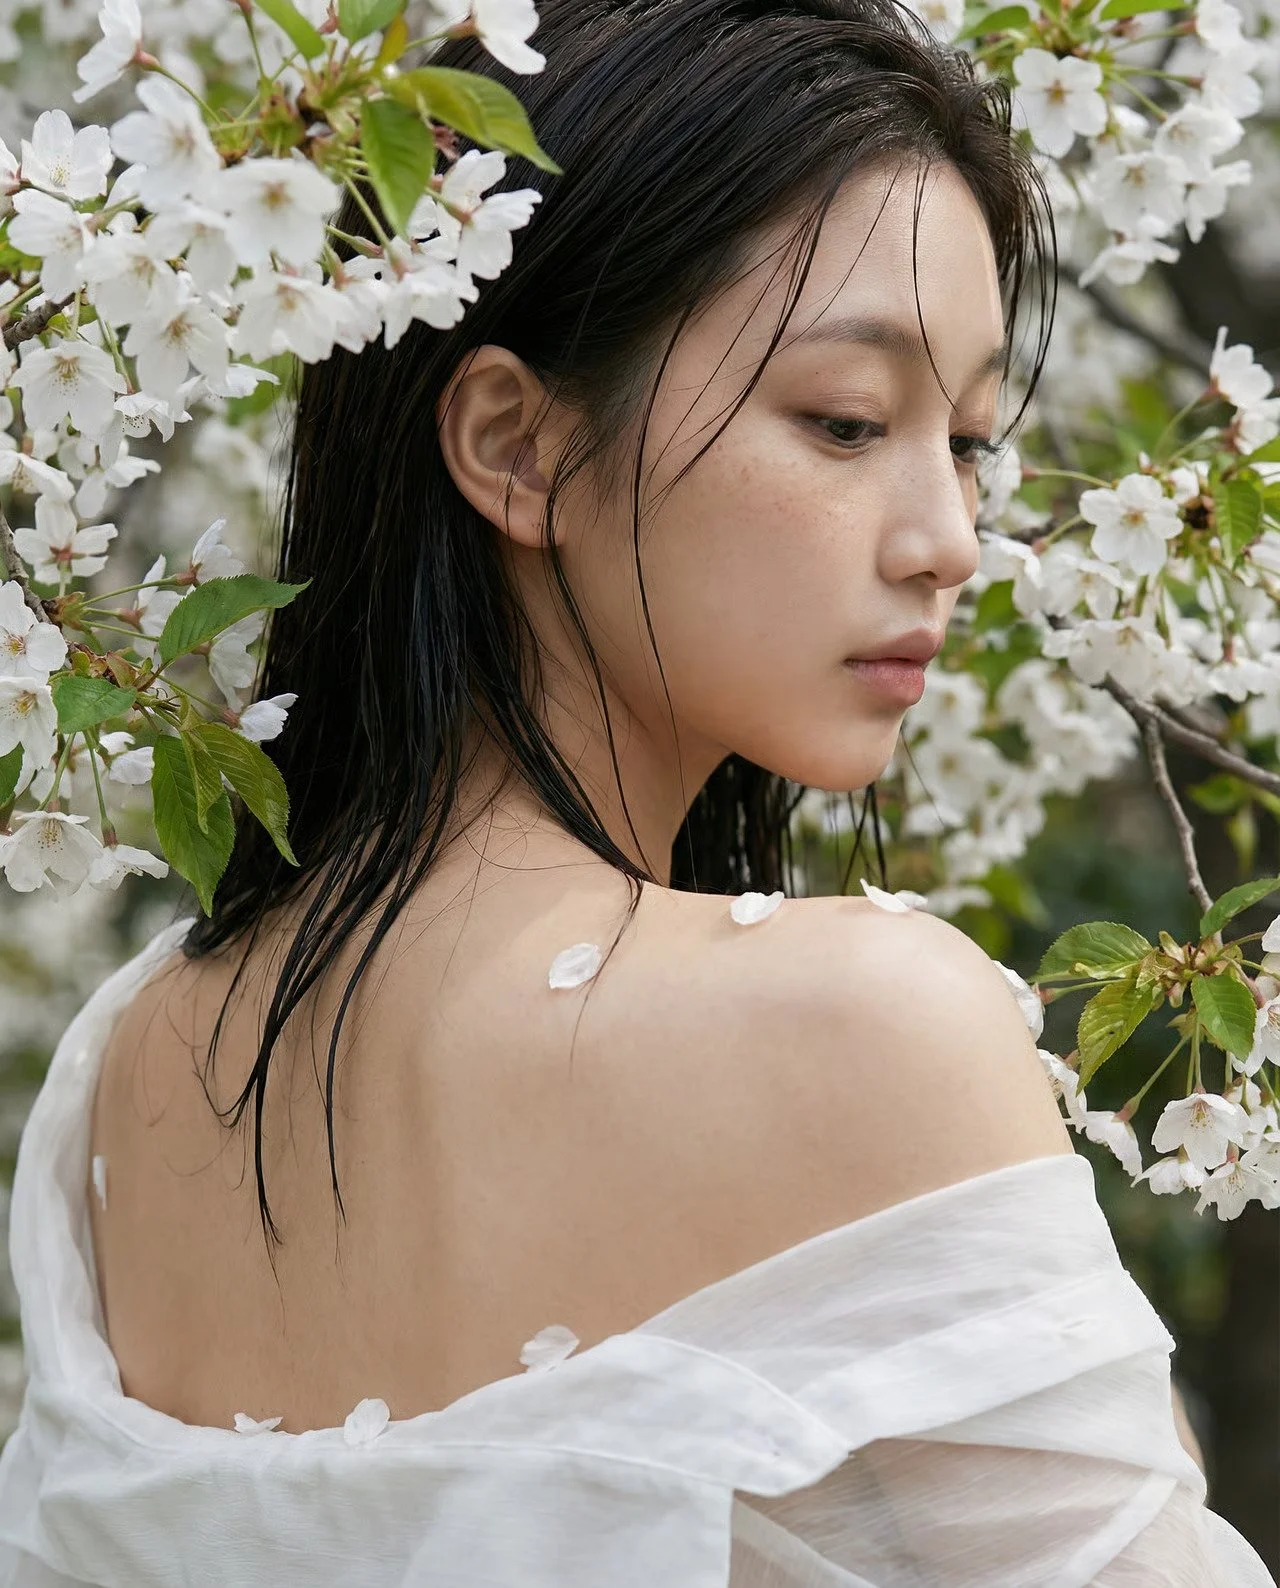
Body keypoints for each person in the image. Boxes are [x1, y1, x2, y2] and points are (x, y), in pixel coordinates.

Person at [0, 0, 1271, 1581]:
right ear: (517, 447)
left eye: (969, 444)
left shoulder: (132, 1063)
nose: (950, 540)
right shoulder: (866, 1026)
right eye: (848, 422)